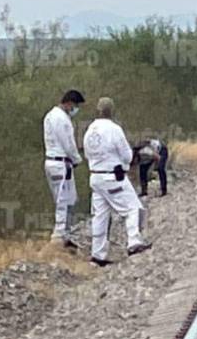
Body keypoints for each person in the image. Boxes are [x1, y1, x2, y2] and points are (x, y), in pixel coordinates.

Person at [83, 97, 152, 267]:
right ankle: (134, 241)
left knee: (100, 216)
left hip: (95, 177)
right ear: (111, 111)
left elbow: (87, 154)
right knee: (133, 208)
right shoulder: (114, 129)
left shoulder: (89, 130)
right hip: (113, 177)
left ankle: (97, 254)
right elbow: (127, 155)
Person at [43, 89, 85, 248]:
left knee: (66, 199)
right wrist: (76, 159)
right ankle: (59, 236)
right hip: (61, 163)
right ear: (69, 103)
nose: (75, 109)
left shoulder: (50, 115)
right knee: (64, 200)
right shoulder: (61, 119)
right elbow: (68, 143)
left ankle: (64, 234)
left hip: (52, 162)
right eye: (75, 106)